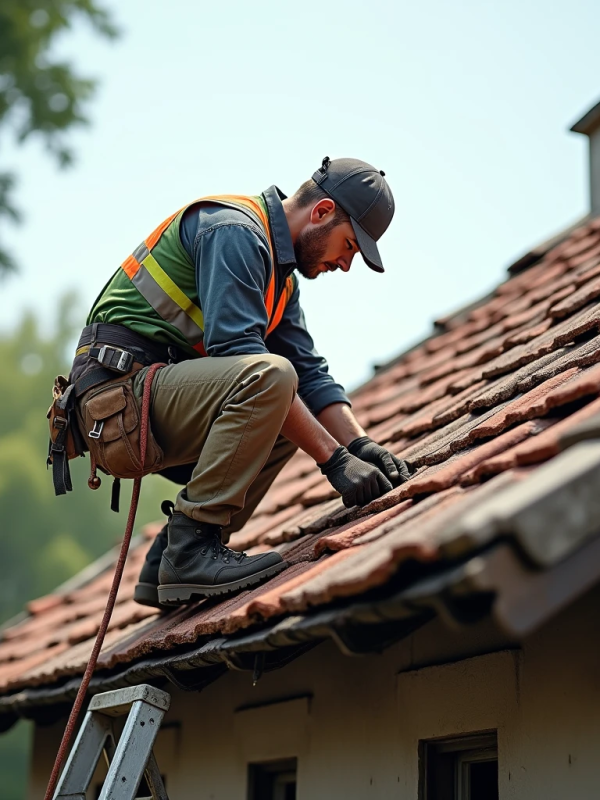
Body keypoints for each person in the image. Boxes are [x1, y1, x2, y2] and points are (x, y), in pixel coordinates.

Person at [68, 157, 410, 609]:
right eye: (349, 246)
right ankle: (192, 549)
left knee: (290, 410)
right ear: (322, 211)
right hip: (118, 406)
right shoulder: (234, 231)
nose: (345, 265)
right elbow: (246, 361)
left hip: (156, 403)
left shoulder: (280, 280)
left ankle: (169, 557)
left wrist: (361, 448)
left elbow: (308, 373)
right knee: (272, 379)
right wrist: (334, 463)